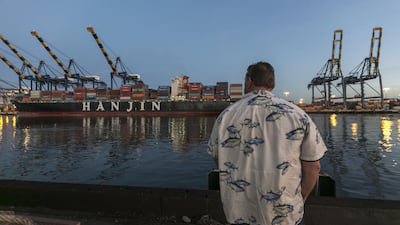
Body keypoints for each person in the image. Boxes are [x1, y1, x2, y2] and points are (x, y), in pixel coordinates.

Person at [207, 61, 327, 225]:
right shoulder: (298, 115)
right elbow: (313, 166)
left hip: (239, 213)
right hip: (285, 215)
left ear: (249, 80)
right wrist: (302, 197)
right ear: (272, 83)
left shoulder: (226, 115)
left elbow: (219, 159)